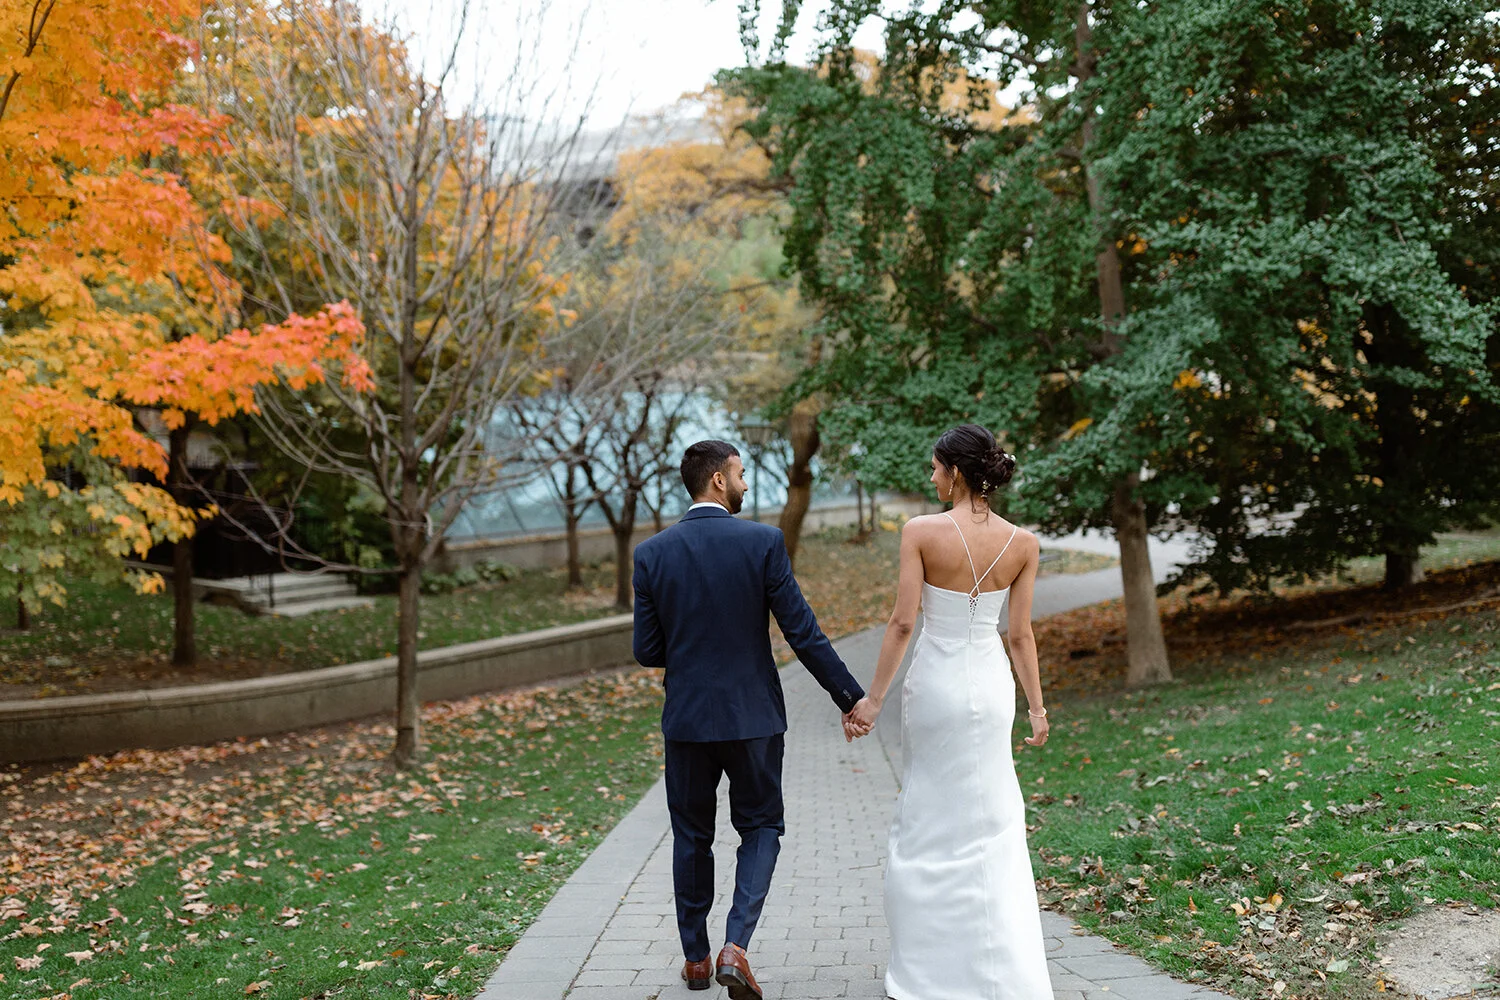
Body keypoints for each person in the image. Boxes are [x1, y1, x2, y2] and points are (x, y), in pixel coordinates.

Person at [632, 439, 866, 1000]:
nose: (744, 483)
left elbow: (646, 649)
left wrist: (688, 647)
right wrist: (849, 697)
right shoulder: (762, 542)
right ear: (717, 479)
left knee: (692, 836)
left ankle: (694, 959)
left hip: (686, 720)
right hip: (754, 718)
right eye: (739, 473)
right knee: (760, 827)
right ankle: (735, 947)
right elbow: (801, 631)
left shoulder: (652, 554)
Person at [844, 423, 1054, 1000]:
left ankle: (929, 973)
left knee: (930, 815)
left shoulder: (921, 532)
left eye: (935, 467)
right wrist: (1036, 708)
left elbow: (903, 623)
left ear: (956, 472)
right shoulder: (1023, 544)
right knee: (992, 818)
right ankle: (1003, 974)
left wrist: (874, 699)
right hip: (990, 690)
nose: (930, 477)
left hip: (935, 687)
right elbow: (1020, 635)